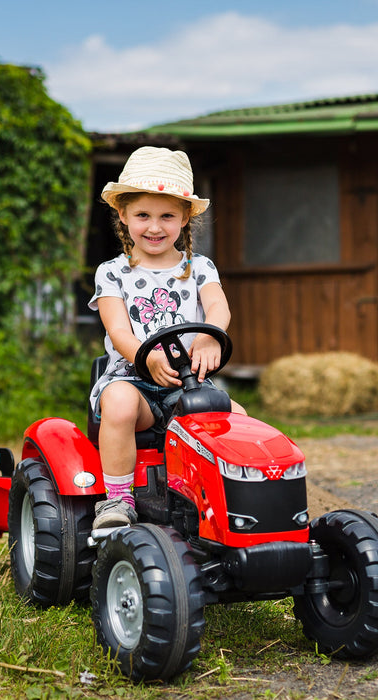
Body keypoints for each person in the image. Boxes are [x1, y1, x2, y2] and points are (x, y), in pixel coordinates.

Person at [89, 146, 245, 529]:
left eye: (167, 216)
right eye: (142, 215)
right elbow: (118, 330)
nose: (154, 227)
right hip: (133, 381)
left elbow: (218, 307)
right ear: (123, 215)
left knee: (239, 419)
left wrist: (212, 337)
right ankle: (118, 501)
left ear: (185, 217)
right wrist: (146, 357)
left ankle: (237, 502)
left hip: (185, 382)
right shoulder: (112, 272)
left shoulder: (199, 267)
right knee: (121, 403)